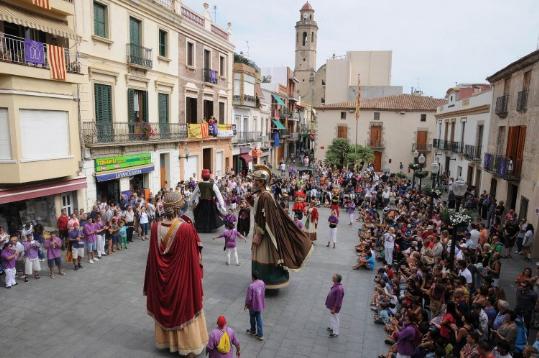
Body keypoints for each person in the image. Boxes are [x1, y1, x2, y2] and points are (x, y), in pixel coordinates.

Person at [144, 191, 208, 356]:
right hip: (180, 280)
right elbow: (192, 258)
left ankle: (167, 342)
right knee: (183, 309)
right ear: (179, 208)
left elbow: (152, 258)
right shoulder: (185, 228)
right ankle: (187, 347)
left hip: (161, 280)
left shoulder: (155, 227)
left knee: (166, 306)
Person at [247, 165, 313, 289]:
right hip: (262, 230)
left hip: (265, 234)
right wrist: (251, 201)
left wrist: (259, 234)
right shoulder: (262, 195)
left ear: (261, 182)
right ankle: (261, 280)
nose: (254, 182)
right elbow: (259, 211)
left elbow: (265, 217)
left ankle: (267, 282)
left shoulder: (265, 196)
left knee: (265, 255)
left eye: (256, 180)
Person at [191, 169, 226, 233]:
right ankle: (209, 227)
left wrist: (191, 201)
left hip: (202, 202)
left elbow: (193, 194)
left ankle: (202, 227)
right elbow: (219, 195)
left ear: (202, 176)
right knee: (211, 215)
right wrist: (222, 205)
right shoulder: (213, 185)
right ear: (209, 176)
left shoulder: (199, 184)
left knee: (201, 214)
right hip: (210, 202)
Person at [244, 274, 265, 341]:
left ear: (253, 277)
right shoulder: (262, 283)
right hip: (260, 304)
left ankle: (253, 330)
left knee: (252, 318)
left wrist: (246, 304)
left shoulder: (251, 286)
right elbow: (263, 292)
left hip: (253, 306)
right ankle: (260, 335)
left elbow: (249, 298)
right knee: (259, 318)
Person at [325, 273, 345, 338]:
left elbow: (338, 300)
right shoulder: (336, 285)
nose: (332, 277)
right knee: (332, 317)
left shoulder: (339, 288)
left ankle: (336, 332)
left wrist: (334, 308)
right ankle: (332, 328)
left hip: (334, 307)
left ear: (336, 279)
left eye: (333, 277)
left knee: (335, 318)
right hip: (332, 306)